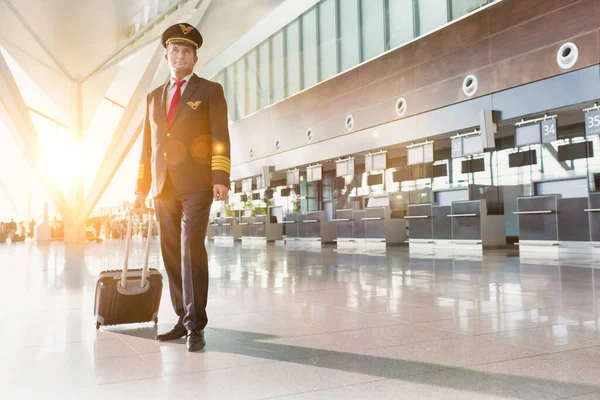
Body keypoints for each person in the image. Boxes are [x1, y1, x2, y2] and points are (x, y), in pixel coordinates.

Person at [134, 22, 230, 352]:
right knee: (171, 254)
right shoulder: (152, 98)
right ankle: (180, 318)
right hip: (163, 187)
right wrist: (140, 189)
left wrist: (220, 178)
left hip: (197, 184)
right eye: (174, 50)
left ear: (195, 57)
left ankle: (195, 325)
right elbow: (147, 147)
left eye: (186, 51)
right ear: (166, 56)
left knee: (191, 251)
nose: (180, 55)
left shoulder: (209, 90)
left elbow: (220, 137)